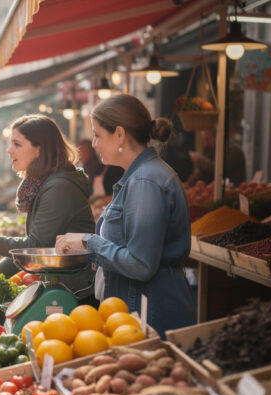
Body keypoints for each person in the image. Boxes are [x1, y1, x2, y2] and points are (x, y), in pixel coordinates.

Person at [55, 94, 195, 334]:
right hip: (136, 309)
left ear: (119, 134)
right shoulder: (138, 176)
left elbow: (140, 264)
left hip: (150, 313)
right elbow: (124, 248)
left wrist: (89, 241)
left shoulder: (145, 181)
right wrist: (82, 250)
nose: (94, 143)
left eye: (98, 135)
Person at [0, 115, 96, 301]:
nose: (9, 151)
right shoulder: (46, 182)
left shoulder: (59, 188)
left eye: (17, 144)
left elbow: (34, 246)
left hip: (75, 290)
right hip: (63, 283)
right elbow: (39, 242)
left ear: (39, 150)